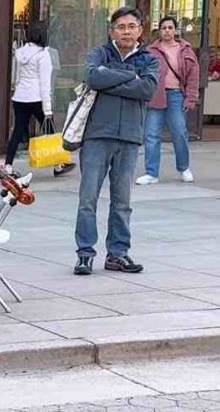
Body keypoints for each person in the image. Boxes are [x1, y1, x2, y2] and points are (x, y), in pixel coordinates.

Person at [73, 6, 158, 277]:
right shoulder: (99, 53)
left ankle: (118, 254)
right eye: (121, 27)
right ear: (112, 30)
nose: (126, 31)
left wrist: (111, 78)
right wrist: (128, 74)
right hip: (97, 135)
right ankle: (85, 254)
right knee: (88, 198)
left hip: (130, 137)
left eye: (131, 26)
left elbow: (147, 89)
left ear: (140, 30)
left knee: (123, 201)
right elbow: (93, 76)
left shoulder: (149, 59)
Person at [5, 21, 75, 177]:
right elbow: (45, 83)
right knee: (49, 129)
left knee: (17, 130)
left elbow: (17, 77)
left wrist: (17, 89)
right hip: (36, 97)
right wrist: (48, 108)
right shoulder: (43, 55)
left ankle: (8, 166)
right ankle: (58, 164)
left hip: (20, 96)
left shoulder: (20, 52)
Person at [136, 16, 199, 185]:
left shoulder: (185, 50)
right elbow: (141, 73)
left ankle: (184, 167)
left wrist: (190, 99)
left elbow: (193, 77)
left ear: (175, 30)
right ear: (159, 31)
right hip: (155, 96)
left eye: (170, 28)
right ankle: (151, 173)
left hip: (176, 95)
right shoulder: (151, 51)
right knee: (151, 134)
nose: (167, 31)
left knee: (179, 132)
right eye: (164, 28)